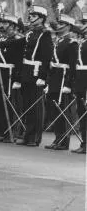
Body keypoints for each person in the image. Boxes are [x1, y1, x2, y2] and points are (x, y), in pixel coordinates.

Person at [17, 4, 53, 147]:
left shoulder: (45, 34)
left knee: (36, 107)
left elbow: (46, 56)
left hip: (36, 73)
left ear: (41, 18)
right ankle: (28, 135)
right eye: (30, 15)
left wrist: (43, 77)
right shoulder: (31, 33)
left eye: (33, 16)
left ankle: (34, 137)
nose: (30, 17)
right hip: (27, 72)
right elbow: (19, 43)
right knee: (27, 105)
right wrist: (2, 43)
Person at [44, 13, 78, 150]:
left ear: (68, 26)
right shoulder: (58, 41)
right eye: (58, 23)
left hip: (64, 79)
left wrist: (69, 84)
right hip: (55, 79)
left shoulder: (72, 43)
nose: (58, 26)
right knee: (53, 110)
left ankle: (63, 141)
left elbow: (72, 65)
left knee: (62, 111)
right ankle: (58, 138)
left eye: (61, 24)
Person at [0, 12, 25, 143]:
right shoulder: (3, 39)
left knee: (11, 103)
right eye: (1, 23)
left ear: (13, 25)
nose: (1, 25)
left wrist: (17, 79)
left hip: (11, 74)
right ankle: (4, 131)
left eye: (5, 23)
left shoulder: (18, 40)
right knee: (1, 102)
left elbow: (19, 61)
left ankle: (13, 132)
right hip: (1, 73)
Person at [72, 14, 87, 154]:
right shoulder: (82, 42)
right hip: (81, 81)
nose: (82, 25)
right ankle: (85, 143)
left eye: (85, 22)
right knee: (82, 112)